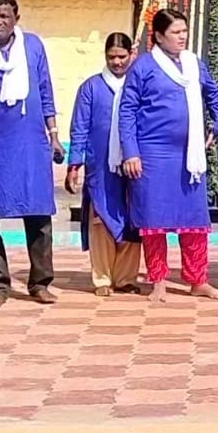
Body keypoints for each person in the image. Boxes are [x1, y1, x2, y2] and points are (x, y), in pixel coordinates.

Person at [120, 8, 218, 302]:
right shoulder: (142, 67)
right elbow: (127, 110)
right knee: (154, 223)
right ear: (157, 36)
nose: (182, 37)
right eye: (175, 33)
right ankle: (158, 281)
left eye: (184, 31)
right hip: (153, 156)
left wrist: (216, 124)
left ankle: (198, 280)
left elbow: (214, 96)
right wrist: (131, 152)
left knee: (195, 222)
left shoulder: (194, 64)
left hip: (189, 157)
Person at [0, 0, 63, 307]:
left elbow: (45, 89)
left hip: (31, 141)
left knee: (38, 213)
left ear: (16, 18)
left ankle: (40, 283)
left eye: (4, 16)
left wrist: (54, 135)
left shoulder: (33, 46)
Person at [66, 34, 143, 296]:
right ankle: (102, 279)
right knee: (100, 220)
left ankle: (125, 278)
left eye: (122, 57)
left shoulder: (140, 86)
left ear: (132, 55)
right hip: (100, 168)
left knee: (133, 220)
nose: (118, 62)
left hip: (134, 166)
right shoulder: (91, 88)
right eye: (112, 57)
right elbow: (79, 127)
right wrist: (74, 164)